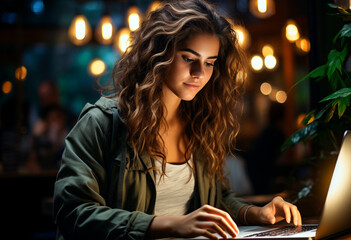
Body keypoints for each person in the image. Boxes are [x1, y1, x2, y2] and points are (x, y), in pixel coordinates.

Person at [53, 0, 302, 239]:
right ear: (158, 53)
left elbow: (217, 199)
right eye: (188, 59)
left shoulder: (200, 124)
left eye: (209, 63)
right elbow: (73, 212)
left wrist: (255, 212)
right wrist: (171, 225)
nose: (199, 74)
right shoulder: (102, 123)